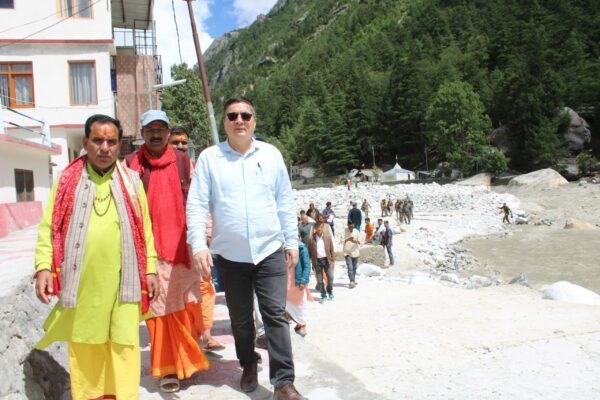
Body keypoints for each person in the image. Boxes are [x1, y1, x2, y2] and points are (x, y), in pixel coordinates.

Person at [186, 96, 306, 400]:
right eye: (232, 116)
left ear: (254, 120)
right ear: (225, 121)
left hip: (270, 250)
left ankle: (283, 383)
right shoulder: (210, 158)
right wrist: (198, 244)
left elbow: (284, 200)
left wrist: (291, 241)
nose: (239, 120)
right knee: (240, 319)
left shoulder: (271, 155)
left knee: (275, 315)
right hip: (231, 255)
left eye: (245, 115)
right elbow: (197, 203)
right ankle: (248, 364)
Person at [34, 114, 159, 399]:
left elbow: (145, 232)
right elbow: (48, 227)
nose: (105, 148)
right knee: (86, 346)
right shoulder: (67, 181)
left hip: (125, 283)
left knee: (124, 347)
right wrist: (43, 266)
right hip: (83, 284)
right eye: (98, 140)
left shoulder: (132, 182)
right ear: (86, 142)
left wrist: (150, 269)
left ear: (119, 145)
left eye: (111, 142)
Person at [125, 110, 209, 393]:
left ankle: (187, 360)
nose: (156, 134)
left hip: (183, 249)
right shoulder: (131, 165)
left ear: (168, 132)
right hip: (148, 251)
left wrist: (204, 238)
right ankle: (168, 368)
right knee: (158, 312)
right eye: (150, 129)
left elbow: (199, 201)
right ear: (142, 133)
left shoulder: (184, 162)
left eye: (161, 129)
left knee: (186, 307)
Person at [170, 127, 226, 353]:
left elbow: (206, 206)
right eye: (175, 142)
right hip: (171, 245)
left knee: (205, 287)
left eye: (184, 142)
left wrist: (208, 236)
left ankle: (206, 334)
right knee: (179, 292)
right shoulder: (163, 173)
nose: (180, 147)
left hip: (197, 243)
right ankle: (186, 338)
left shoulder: (198, 171)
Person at [286, 240, 312, 337]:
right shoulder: (280, 247)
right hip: (284, 282)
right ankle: (287, 322)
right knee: (285, 305)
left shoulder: (301, 248)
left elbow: (307, 265)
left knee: (300, 304)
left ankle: (301, 325)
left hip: (297, 282)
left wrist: (304, 280)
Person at [307, 222, 336, 303]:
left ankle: (329, 290)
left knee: (330, 277)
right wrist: (311, 262)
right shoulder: (311, 239)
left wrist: (332, 258)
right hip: (317, 262)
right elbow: (309, 252)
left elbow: (331, 249)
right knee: (320, 281)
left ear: (323, 228)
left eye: (321, 227)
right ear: (315, 229)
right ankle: (323, 295)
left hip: (327, 260)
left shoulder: (327, 237)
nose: (320, 229)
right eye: (318, 228)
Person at [343, 221, 360, 288]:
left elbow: (360, 241)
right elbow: (341, 240)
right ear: (347, 225)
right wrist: (348, 239)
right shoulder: (344, 231)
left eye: (352, 226)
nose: (351, 228)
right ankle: (351, 281)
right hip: (347, 252)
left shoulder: (356, 232)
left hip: (355, 251)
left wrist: (355, 241)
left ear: (354, 225)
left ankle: (353, 279)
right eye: (349, 226)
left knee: (354, 267)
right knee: (350, 267)